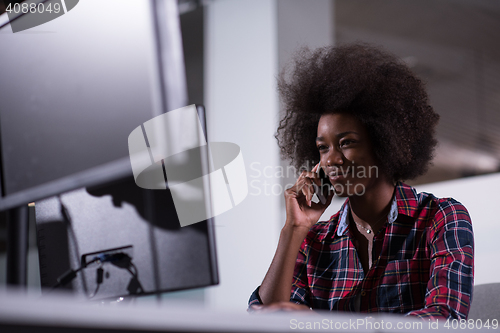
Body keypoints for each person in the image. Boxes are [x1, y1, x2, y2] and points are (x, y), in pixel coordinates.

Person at [248, 43, 474, 320]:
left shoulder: (441, 217)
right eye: (323, 148)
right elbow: (265, 320)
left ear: (384, 143)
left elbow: (445, 316)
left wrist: (325, 326)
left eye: (347, 143)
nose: (332, 160)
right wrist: (294, 229)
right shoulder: (316, 241)